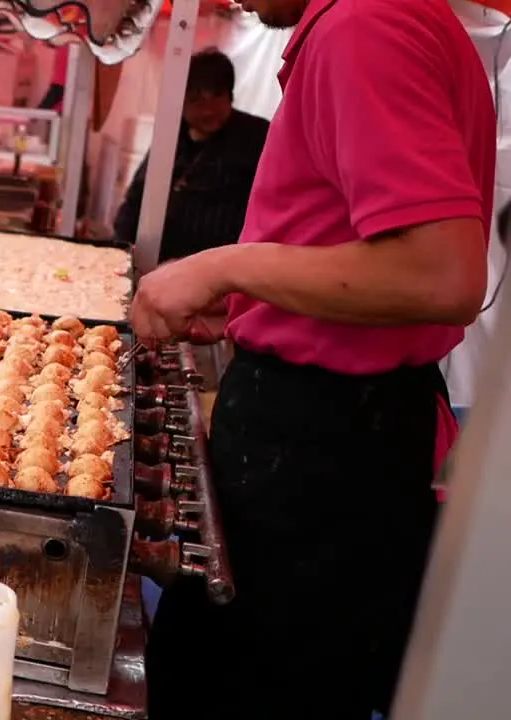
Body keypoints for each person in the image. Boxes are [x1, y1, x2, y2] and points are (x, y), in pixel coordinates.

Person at [133, 1, 493, 719]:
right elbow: (356, 245)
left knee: (243, 689)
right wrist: (254, 308)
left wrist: (224, 268)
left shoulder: (367, 23)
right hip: (339, 433)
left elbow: (440, 276)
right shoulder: (383, 19)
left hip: (324, 454)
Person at [112, 49, 268, 264]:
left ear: (230, 95)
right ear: (180, 102)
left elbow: (269, 211)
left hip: (222, 274)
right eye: (196, 100)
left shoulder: (257, 137)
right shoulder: (171, 137)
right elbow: (137, 197)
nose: (208, 110)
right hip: (158, 267)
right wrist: (123, 250)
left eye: (217, 96)